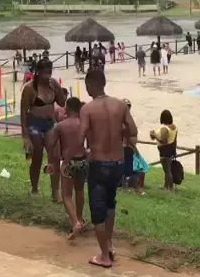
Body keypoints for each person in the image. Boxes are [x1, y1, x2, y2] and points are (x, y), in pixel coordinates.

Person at [79, 70, 138, 269]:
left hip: (99, 163)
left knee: (97, 210)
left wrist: (86, 148)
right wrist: (117, 131)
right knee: (111, 204)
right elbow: (133, 130)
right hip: (118, 163)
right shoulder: (120, 105)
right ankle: (110, 245)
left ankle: (104, 256)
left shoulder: (87, 109)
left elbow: (81, 137)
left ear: (90, 85)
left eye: (87, 86)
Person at [20, 59, 66, 198]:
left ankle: (55, 192)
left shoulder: (53, 84)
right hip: (34, 124)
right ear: (38, 72)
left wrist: (57, 89)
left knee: (55, 158)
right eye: (44, 73)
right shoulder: (29, 88)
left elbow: (62, 102)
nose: (47, 76)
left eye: (49, 72)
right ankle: (35, 188)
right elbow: (23, 112)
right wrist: (26, 137)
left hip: (50, 123)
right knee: (37, 157)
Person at [47, 97, 88, 239]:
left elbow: (51, 145)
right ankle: (80, 219)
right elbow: (90, 143)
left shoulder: (60, 126)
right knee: (80, 191)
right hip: (82, 161)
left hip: (68, 163)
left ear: (67, 108)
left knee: (66, 195)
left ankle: (75, 222)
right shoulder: (84, 123)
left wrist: (51, 162)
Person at [150, 110, 178, 190]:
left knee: (167, 170)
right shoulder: (174, 127)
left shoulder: (164, 129)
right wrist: (174, 150)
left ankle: (170, 187)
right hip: (171, 150)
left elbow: (164, 141)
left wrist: (155, 135)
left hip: (164, 151)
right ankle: (166, 186)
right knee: (168, 169)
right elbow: (175, 140)